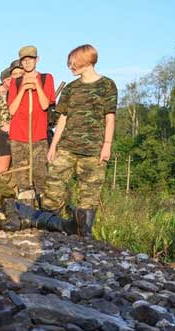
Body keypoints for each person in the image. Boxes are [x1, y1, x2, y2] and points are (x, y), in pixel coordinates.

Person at [44, 44, 117, 238]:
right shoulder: (71, 88)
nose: (70, 67)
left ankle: (83, 233)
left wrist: (107, 146)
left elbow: (110, 117)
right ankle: (50, 227)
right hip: (67, 147)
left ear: (85, 61)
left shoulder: (107, 85)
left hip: (93, 149)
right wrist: (53, 146)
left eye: (72, 63)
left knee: (89, 192)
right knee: (53, 184)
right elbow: (63, 118)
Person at [7, 45, 56, 207]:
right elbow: (12, 110)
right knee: (22, 178)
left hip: (38, 136)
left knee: (40, 176)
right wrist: (23, 89)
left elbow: (44, 104)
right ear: (21, 62)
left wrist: (36, 85)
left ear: (37, 60)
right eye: (24, 60)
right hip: (18, 136)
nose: (28, 63)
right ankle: (27, 213)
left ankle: (45, 213)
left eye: (31, 59)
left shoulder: (46, 78)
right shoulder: (15, 82)